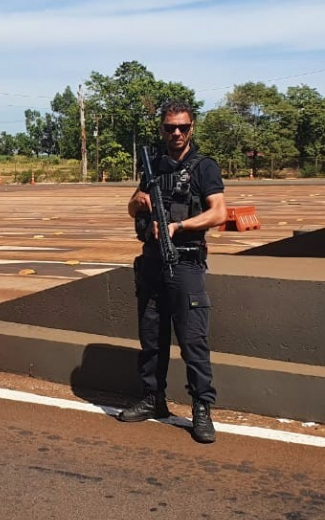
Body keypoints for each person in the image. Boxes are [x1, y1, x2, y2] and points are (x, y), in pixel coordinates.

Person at [119, 100, 228, 444]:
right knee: (152, 337)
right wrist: (140, 201)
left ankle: (201, 407)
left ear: (192, 128)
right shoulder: (154, 165)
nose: (176, 133)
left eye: (182, 127)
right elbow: (131, 205)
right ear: (163, 129)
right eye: (170, 128)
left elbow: (219, 213)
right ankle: (154, 399)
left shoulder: (203, 167)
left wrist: (178, 226)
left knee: (193, 340)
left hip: (186, 263)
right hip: (152, 262)